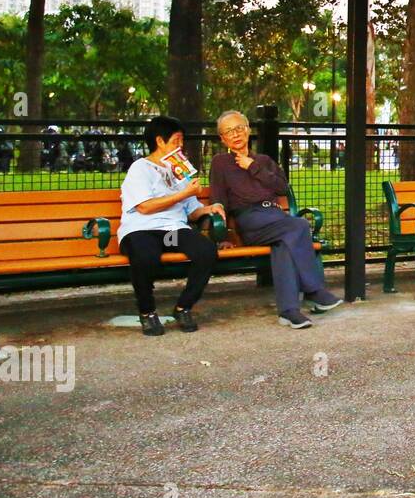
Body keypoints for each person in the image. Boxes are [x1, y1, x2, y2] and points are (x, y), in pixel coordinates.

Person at [210, 110, 343, 329]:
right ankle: (313, 290)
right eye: (228, 131)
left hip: (275, 218)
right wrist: (223, 235)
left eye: (239, 128)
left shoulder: (263, 160)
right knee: (299, 224)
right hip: (250, 220)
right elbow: (218, 200)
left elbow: (282, 187)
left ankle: (289, 311)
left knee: (283, 243)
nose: (235, 134)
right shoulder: (220, 163)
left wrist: (252, 166)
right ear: (222, 138)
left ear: (248, 130)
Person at [118, 116, 222, 337]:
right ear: (160, 141)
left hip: (170, 234)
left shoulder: (179, 171)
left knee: (206, 251)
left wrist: (209, 208)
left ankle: (183, 307)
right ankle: (147, 312)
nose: (181, 145)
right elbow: (145, 207)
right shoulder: (140, 168)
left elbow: (192, 211)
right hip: (141, 230)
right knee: (146, 255)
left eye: (182, 140)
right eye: (176, 140)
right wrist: (183, 193)